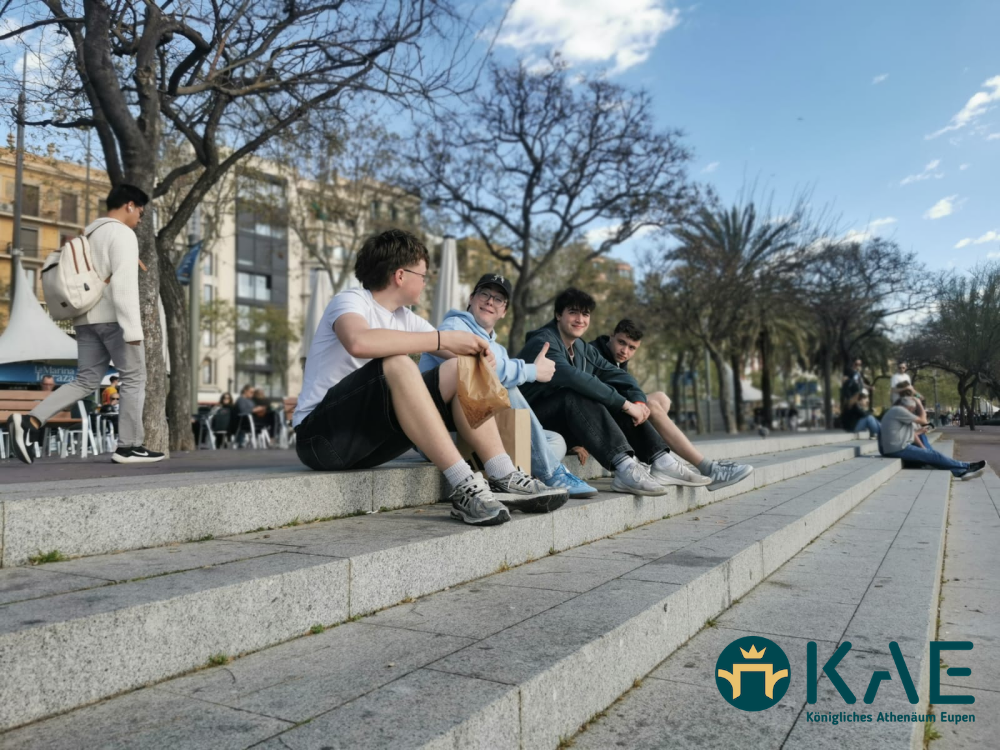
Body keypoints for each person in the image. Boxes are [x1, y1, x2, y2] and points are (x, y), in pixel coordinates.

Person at [293, 229, 566, 526]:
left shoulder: (405, 318)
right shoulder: (351, 300)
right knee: (398, 362)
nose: (426, 282)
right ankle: (464, 485)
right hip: (320, 440)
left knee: (463, 367)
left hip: (369, 443)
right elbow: (358, 341)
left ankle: (503, 475)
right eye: (423, 275)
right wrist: (442, 339)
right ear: (401, 275)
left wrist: (479, 357)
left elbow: (459, 356)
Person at [6, 184, 164, 464]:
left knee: (86, 380)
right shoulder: (122, 234)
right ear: (129, 205)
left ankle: (31, 421)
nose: (140, 218)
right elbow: (123, 286)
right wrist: (133, 330)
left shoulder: (88, 234)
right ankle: (129, 447)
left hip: (84, 319)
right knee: (134, 378)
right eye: (140, 212)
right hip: (114, 319)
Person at [419, 273, 598, 498]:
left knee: (556, 440)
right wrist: (532, 371)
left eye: (498, 299)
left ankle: (513, 473)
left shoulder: (499, 349)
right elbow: (481, 370)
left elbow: (497, 370)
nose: (490, 302)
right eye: (484, 294)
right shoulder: (454, 325)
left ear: (504, 311)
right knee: (507, 387)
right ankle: (550, 472)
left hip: (477, 429)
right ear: (471, 299)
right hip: (440, 432)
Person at [516, 290, 689, 497]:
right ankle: (625, 467)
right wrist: (626, 405)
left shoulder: (581, 348)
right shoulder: (544, 342)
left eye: (585, 314)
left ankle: (661, 460)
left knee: (609, 397)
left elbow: (618, 375)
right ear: (558, 315)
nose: (580, 319)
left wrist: (638, 402)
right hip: (529, 422)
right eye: (573, 312)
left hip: (560, 423)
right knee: (579, 394)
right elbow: (574, 378)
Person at [589, 318, 754, 491]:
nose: (625, 351)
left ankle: (651, 458)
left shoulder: (617, 359)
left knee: (662, 399)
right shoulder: (594, 353)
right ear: (611, 336)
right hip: (596, 423)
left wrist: (638, 402)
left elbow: (626, 387)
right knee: (652, 405)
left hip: (614, 413)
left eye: (632, 348)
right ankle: (708, 468)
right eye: (621, 342)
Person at [880, 397, 985, 479]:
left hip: (896, 447)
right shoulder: (898, 410)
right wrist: (919, 403)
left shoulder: (896, 413)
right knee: (934, 455)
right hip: (897, 448)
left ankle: (960, 472)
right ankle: (967, 466)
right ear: (907, 407)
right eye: (912, 409)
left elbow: (912, 434)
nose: (912, 411)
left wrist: (924, 448)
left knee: (931, 454)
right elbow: (924, 420)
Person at [841, 357, 880, 438]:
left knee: (869, 417)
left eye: (859, 364)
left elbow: (861, 384)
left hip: (857, 394)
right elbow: (845, 381)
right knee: (869, 418)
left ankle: (883, 431)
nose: (858, 366)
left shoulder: (858, 374)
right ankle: (881, 433)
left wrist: (869, 387)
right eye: (856, 364)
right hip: (852, 426)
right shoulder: (849, 371)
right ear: (853, 364)